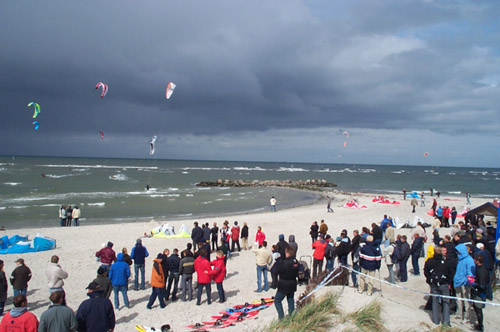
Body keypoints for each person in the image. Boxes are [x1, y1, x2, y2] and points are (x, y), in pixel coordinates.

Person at [423, 246, 452, 326]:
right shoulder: (445, 261)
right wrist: (448, 281)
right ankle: (446, 321)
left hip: (434, 283)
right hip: (443, 283)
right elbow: (449, 272)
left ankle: (436, 320)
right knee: (446, 302)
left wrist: (429, 280)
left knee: (435, 301)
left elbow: (426, 271)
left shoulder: (429, 261)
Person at [274, 247, 299, 320]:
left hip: (284, 283)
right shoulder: (296, 262)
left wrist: (279, 263)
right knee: (290, 298)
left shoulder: (285, 262)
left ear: (288, 253)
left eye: (285, 252)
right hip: (293, 283)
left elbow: (277, 270)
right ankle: (291, 315)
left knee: (277, 300)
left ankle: (281, 317)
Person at [453, 243, 475, 323]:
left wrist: (467, 282)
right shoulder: (459, 259)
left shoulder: (469, 260)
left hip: (465, 283)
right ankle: (459, 314)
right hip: (457, 281)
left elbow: (471, 273)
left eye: (458, 251)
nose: (457, 253)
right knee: (458, 298)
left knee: (466, 300)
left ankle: (467, 317)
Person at [472, 254, 488, 332]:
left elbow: (482, 285)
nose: (473, 261)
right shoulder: (480, 268)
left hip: (480, 293)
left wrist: (474, 283)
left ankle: (480, 326)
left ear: (478, 261)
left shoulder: (481, 271)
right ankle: (479, 324)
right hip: (479, 292)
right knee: (476, 308)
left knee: (478, 309)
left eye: (474, 259)